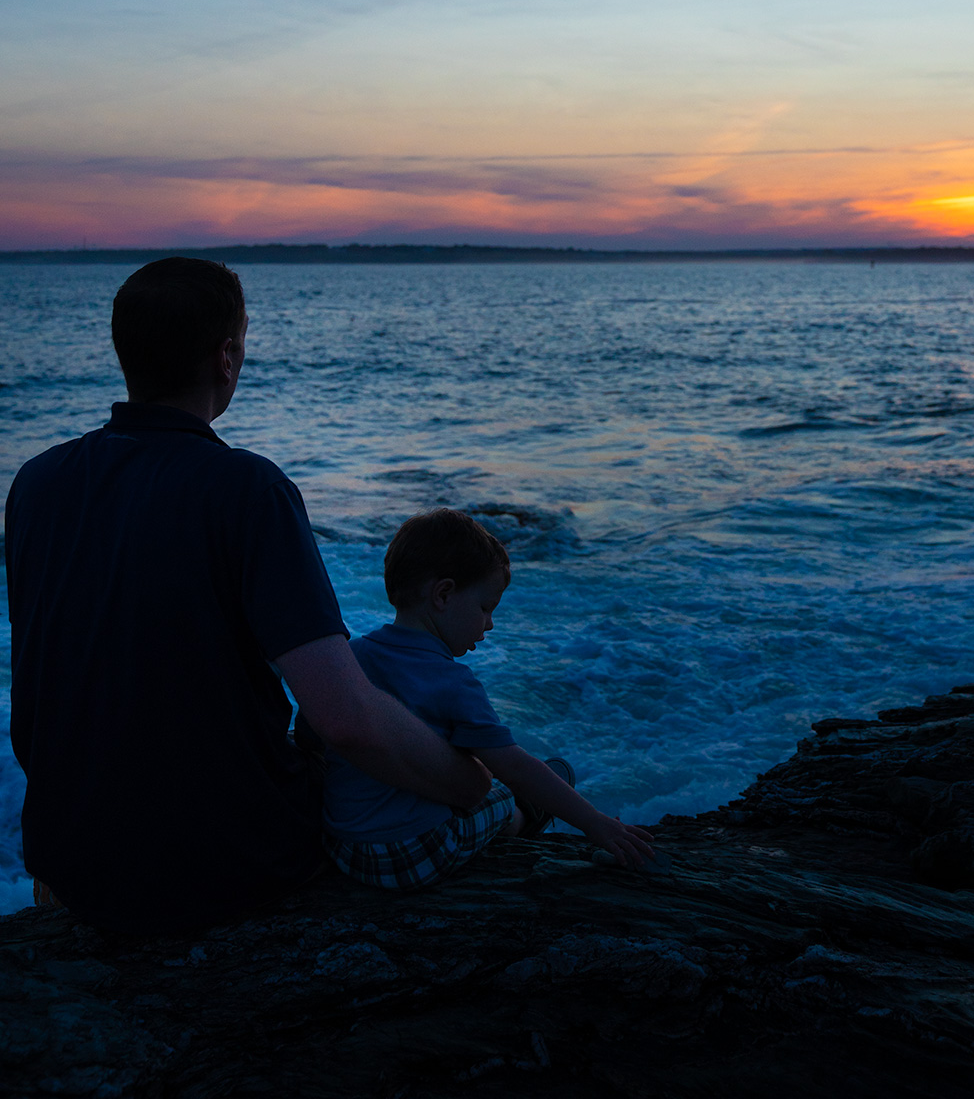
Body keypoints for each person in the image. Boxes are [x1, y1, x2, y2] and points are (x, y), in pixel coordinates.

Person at [4, 257, 491, 936]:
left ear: (126, 353)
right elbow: (344, 719)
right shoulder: (247, 490)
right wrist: (469, 785)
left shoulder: (35, 484)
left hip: (70, 856)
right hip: (227, 862)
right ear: (227, 356)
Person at [321, 508, 654, 888]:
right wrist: (595, 823)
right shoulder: (451, 681)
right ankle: (527, 819)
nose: (490, 624)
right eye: (485, 607)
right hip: (410, 855)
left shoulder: (353, 657)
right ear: (444, 594)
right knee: (498, 793)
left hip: (345, 847)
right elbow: (513, 764)